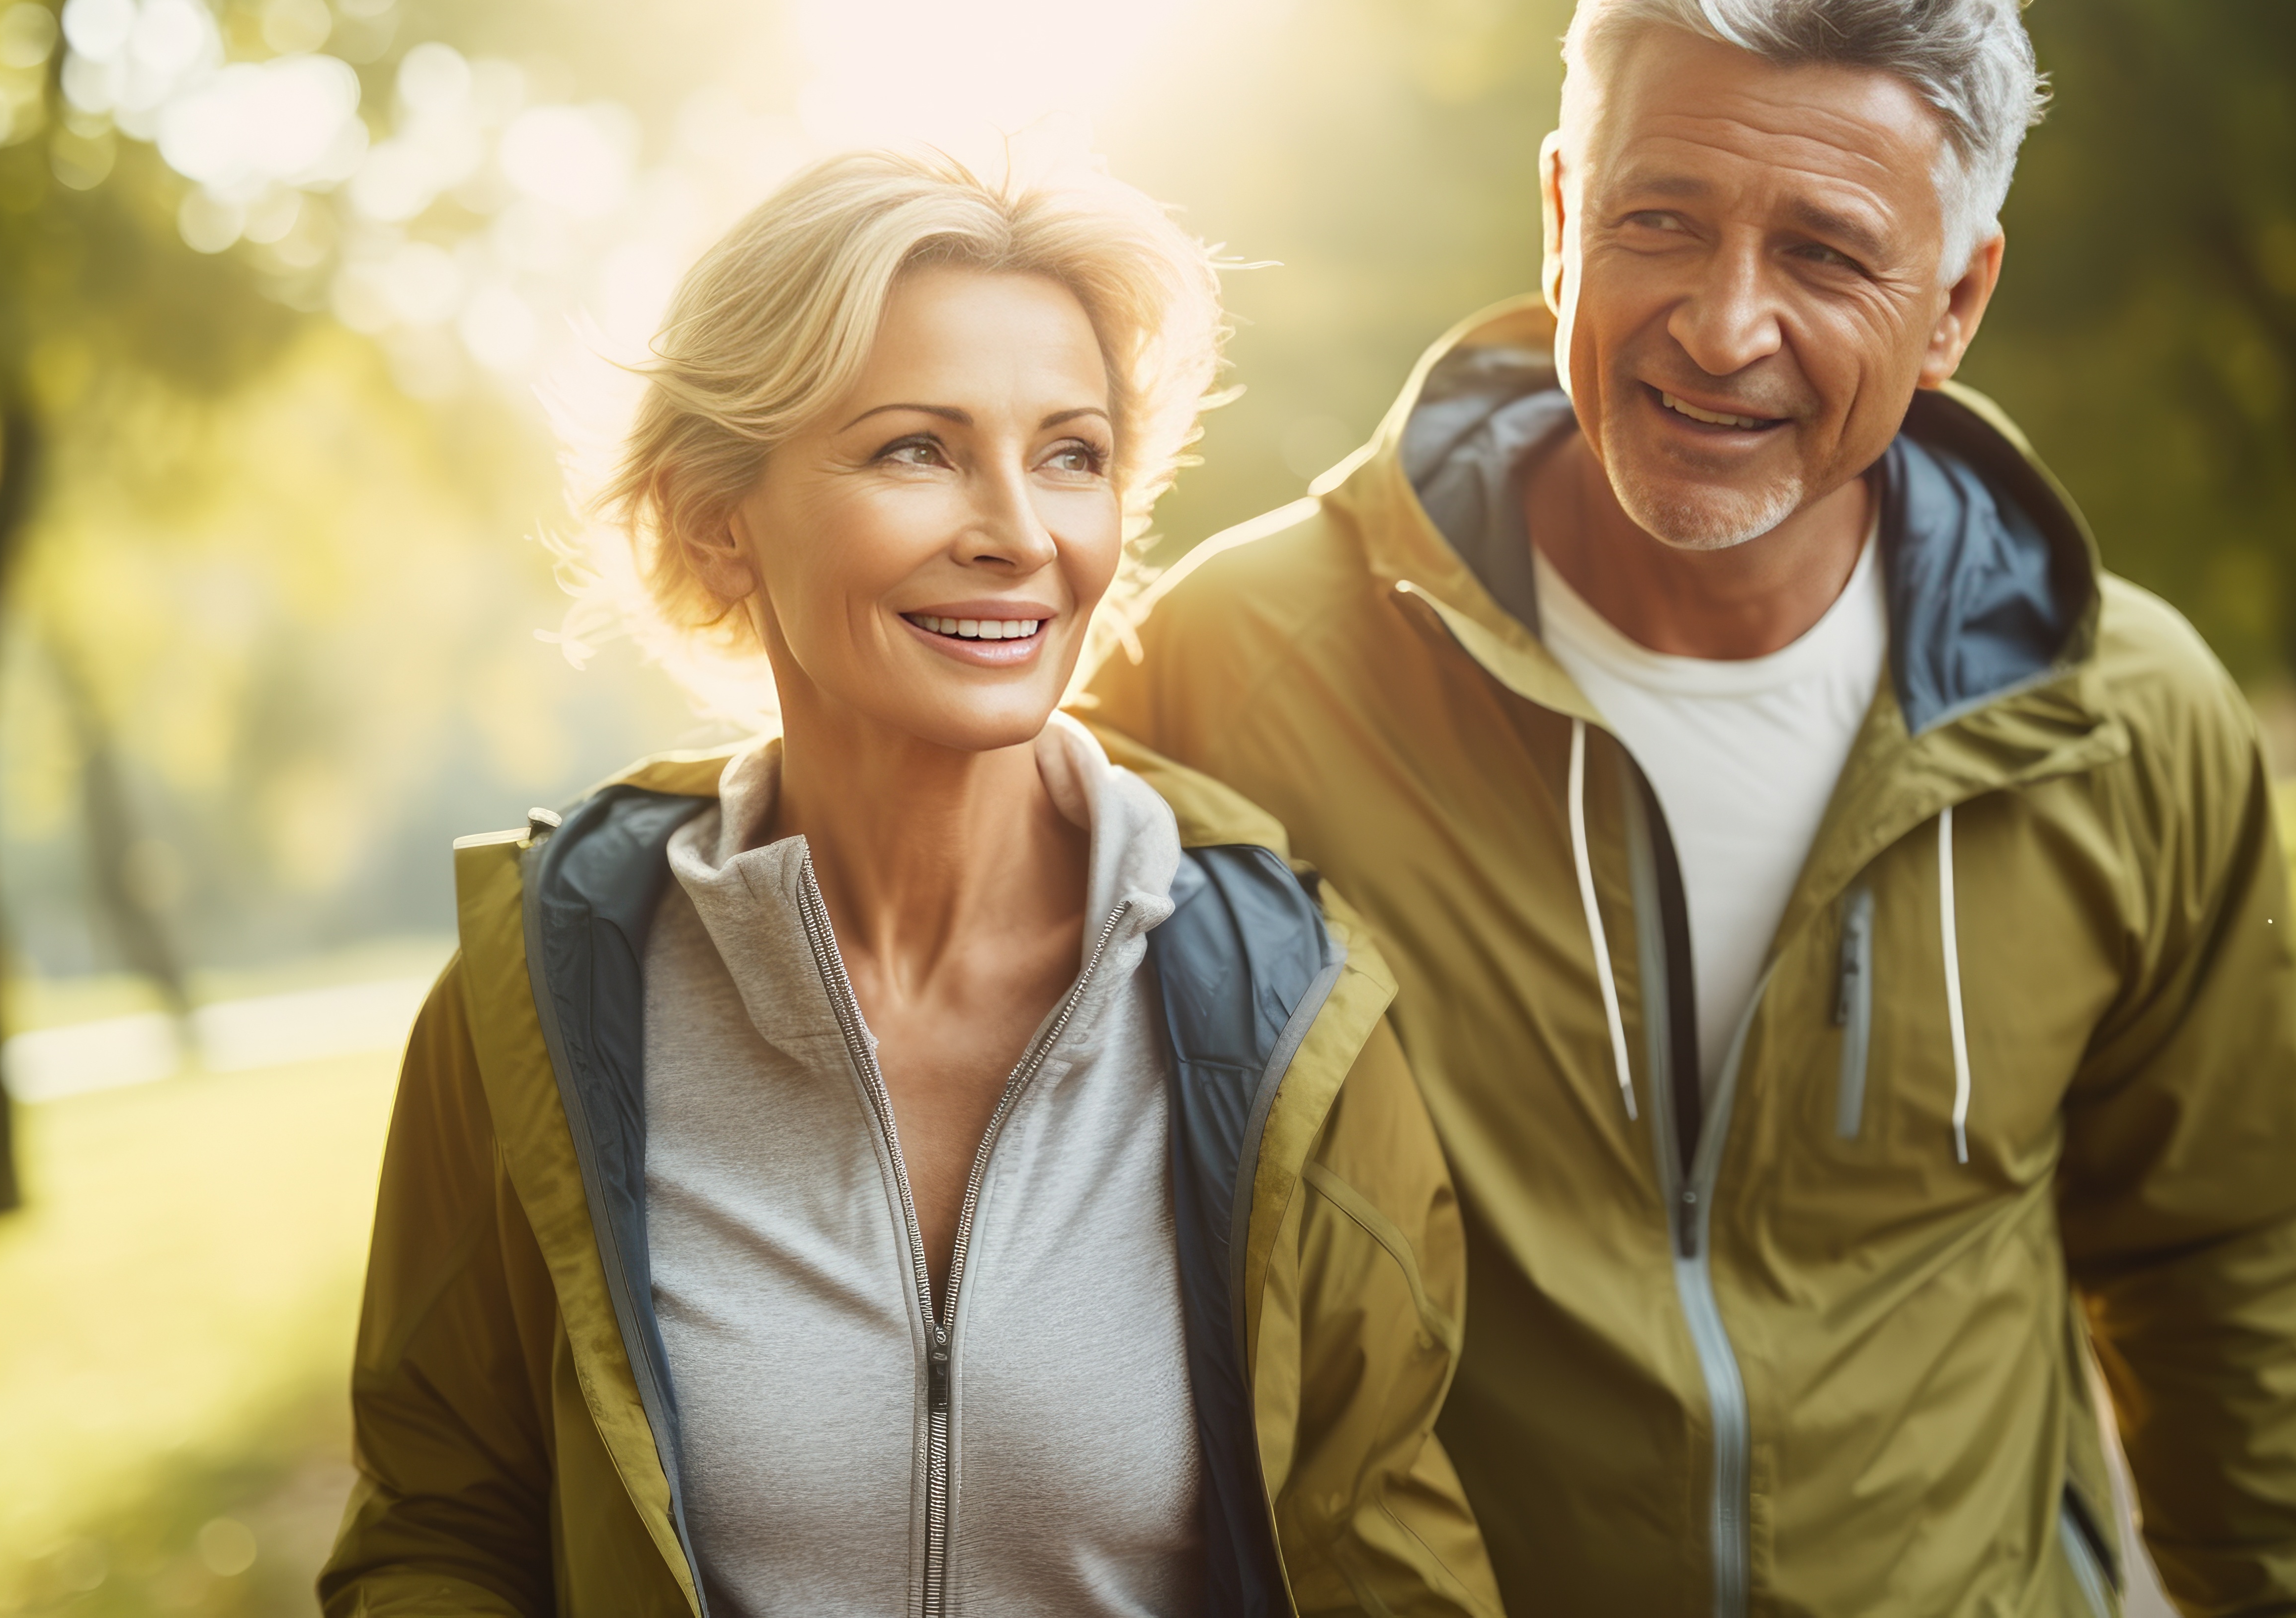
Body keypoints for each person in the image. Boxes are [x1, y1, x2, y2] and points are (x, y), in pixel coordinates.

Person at [1084, 0, 2296, 1618]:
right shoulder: (1232, 664)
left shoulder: (2126, 719)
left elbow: (2221, 1259)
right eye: (1660, 221)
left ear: (1956, 301)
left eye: (1827, 254)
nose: (1722, 324)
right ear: (1562, 214)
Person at [320, 151, 1503, 1618]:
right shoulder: (540, 1007)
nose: (1020, 532)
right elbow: (438, 1529)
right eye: (915, 451)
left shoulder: (1291, 1008)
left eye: (1071, 455)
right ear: (715, 520)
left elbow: (1381, 1565)